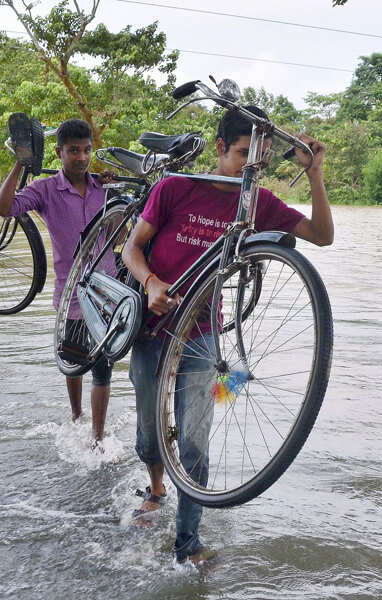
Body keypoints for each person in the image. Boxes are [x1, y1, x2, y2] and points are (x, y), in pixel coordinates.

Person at [121, 105, 334, 565]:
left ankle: (188, 544)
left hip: (201, 335)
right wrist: (150, 282)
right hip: (152, 327)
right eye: (241, 156)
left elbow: (321, 235)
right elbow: (132, 247)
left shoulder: (256, 203)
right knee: (149, 437)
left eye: (258, 162)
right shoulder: (175, 189)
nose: (249, 169)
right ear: (220, 148)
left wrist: (315, 174)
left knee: (195, 444)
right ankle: (156, 488)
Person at [0, 116, 113, 447]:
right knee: (73, 362)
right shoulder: (45, 190)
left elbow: (125, 228)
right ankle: (77, 415)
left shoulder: (104, 187)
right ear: (59, 152)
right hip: (72, 296)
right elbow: (4, 208)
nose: (81, 157)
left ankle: (97, 439)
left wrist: (113, 186)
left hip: (107, 293)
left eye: (87, 150)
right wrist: (20, 165)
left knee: (102, 369)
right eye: (74, 151)